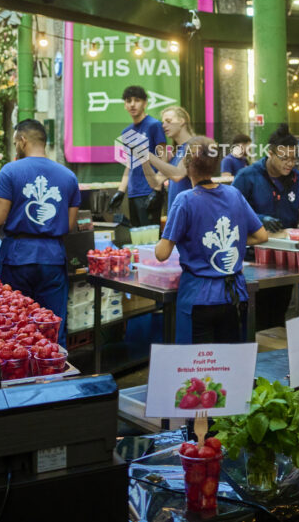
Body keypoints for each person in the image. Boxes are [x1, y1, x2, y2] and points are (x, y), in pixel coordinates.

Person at [155, 136, 268, 343]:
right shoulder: (234, 194)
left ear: (187, 165)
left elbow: (162, 254)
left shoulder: (185, 200)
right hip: (234, 295)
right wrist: (233, 244)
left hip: (199, 298)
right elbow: (261, 235)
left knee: (198, 368)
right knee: (228, 364)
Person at [0, 119, 81, 347]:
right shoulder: (68, 176)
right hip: (52, 258)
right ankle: (57, 375)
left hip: (18, 258)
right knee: (51, 327)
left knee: (13, 326)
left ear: (22, 140)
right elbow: (68, 226)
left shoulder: (10, 171)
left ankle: (20, 376)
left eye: (15, 141)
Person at [232, 124, 299, 231]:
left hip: (288, 243)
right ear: (270, 154)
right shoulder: (247, 177)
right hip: (256, 244)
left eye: (293, 159)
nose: (290, 164)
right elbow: (233, 210)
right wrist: (260, 220)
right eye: (284, 158)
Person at [110, 85, 167, 226]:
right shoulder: (126, 132)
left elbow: (164, 158)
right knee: (136, 238)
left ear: (145, 103)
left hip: (150, 191)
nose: (132, 104)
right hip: (133, 192)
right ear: (125, 105)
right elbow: (130, 163)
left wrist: (157, 189)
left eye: (137, 100)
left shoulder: (154, 125)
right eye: (128, 101)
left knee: (151, 239)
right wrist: (121, 191)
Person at [142, 106, 196, 214]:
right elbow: (155, 181)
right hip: (176, 216)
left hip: (190, 215)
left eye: (168, 121)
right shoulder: (176, 153)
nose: (163, 126)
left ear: (181, 121)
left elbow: (177, 175)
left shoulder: (194, 146)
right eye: (163, 122)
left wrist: (149, 156)